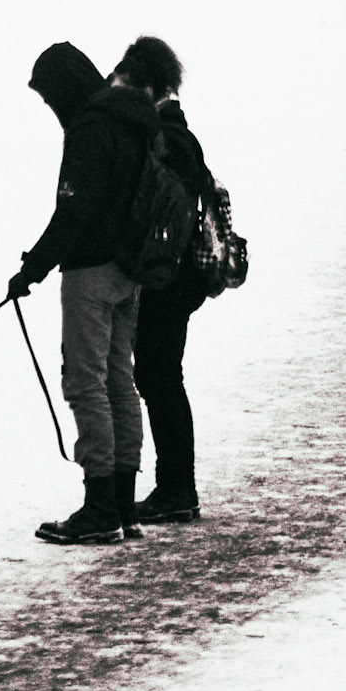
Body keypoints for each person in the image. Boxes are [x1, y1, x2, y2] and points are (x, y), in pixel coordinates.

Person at [8, 39, 162, 545]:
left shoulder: (91, 129)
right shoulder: (130, 121)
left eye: (50, 96)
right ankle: (121, 503)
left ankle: (100, 506)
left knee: (87, 384)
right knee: (119, 381)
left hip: (91, 274)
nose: (51, 107)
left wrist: (31, 268)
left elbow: (74, 211)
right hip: (127, 271)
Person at [128, 38, 212, 526]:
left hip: (168, 279)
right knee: (160, 378)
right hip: (179, 278)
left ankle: (176, 488)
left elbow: (164, 215)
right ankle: (175, 487)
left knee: (160, 379)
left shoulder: (167, 137)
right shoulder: (179, 133)